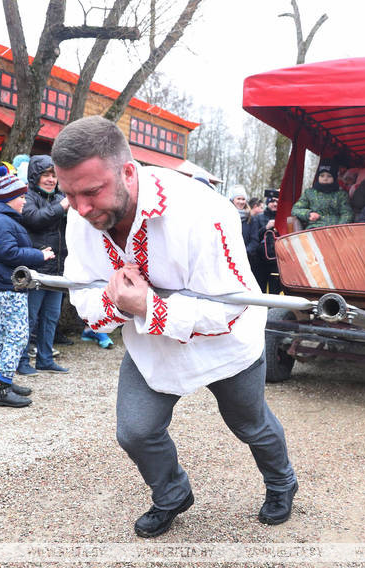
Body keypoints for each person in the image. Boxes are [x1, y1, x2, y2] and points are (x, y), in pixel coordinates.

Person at [53, 116, 298, 538]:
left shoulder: (204, 210)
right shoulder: (81, 216)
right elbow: (84, 297)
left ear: (128, 171)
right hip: (153, 344)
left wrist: (148, 304)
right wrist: (122, 304)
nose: (81, 209)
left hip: (224, 343)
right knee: (135, 430)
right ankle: (172, 493)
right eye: (69, 195)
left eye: (91, 192)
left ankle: (281, 482)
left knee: (250, 423)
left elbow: (228, 307)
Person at [0, 174, 55, 407]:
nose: (24, 200)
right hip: (10, 284)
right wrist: (39, 255)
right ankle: (1, 389)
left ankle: (4, 380)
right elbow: (9, 253)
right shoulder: (2, 221)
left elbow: (11, 249)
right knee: (17, 335)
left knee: (6, 334)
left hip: (10, 284)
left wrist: (35, 251)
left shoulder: (5, 219)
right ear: (8, 198)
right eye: (20, 196)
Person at [16, 155, 70, 375]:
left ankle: (45, 359)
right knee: (29, 318)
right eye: (46, 174)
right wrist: (62, 207)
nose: (51, 179)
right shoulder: (27, 197)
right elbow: (34, 219)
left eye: (54, 175)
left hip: (58, 269)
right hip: (36, 269)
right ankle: (20, 361)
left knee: (51, 317)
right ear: (35, 177)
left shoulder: (61, 197)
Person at [290, 162, 353, 230]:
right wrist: (308, 214)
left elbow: (347, 213)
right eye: (322, 175)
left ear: (334, 178)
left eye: (329, 176)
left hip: (335, 229)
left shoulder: (341, 194)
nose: (325, 178)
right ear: (318, 177)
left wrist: (340, 228)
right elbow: (295, 210)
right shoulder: (309, 193)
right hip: (314, 229)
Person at [252, 191, 283, 294]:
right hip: (260, 260)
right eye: (272, 201)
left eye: (277, 202)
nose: (275, 204)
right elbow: (254, 237)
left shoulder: (284, 218)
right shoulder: (258, 218)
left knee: (275, 291)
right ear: (267, 202)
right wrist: (266, 227)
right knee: (260, 290)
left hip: (277, 259)